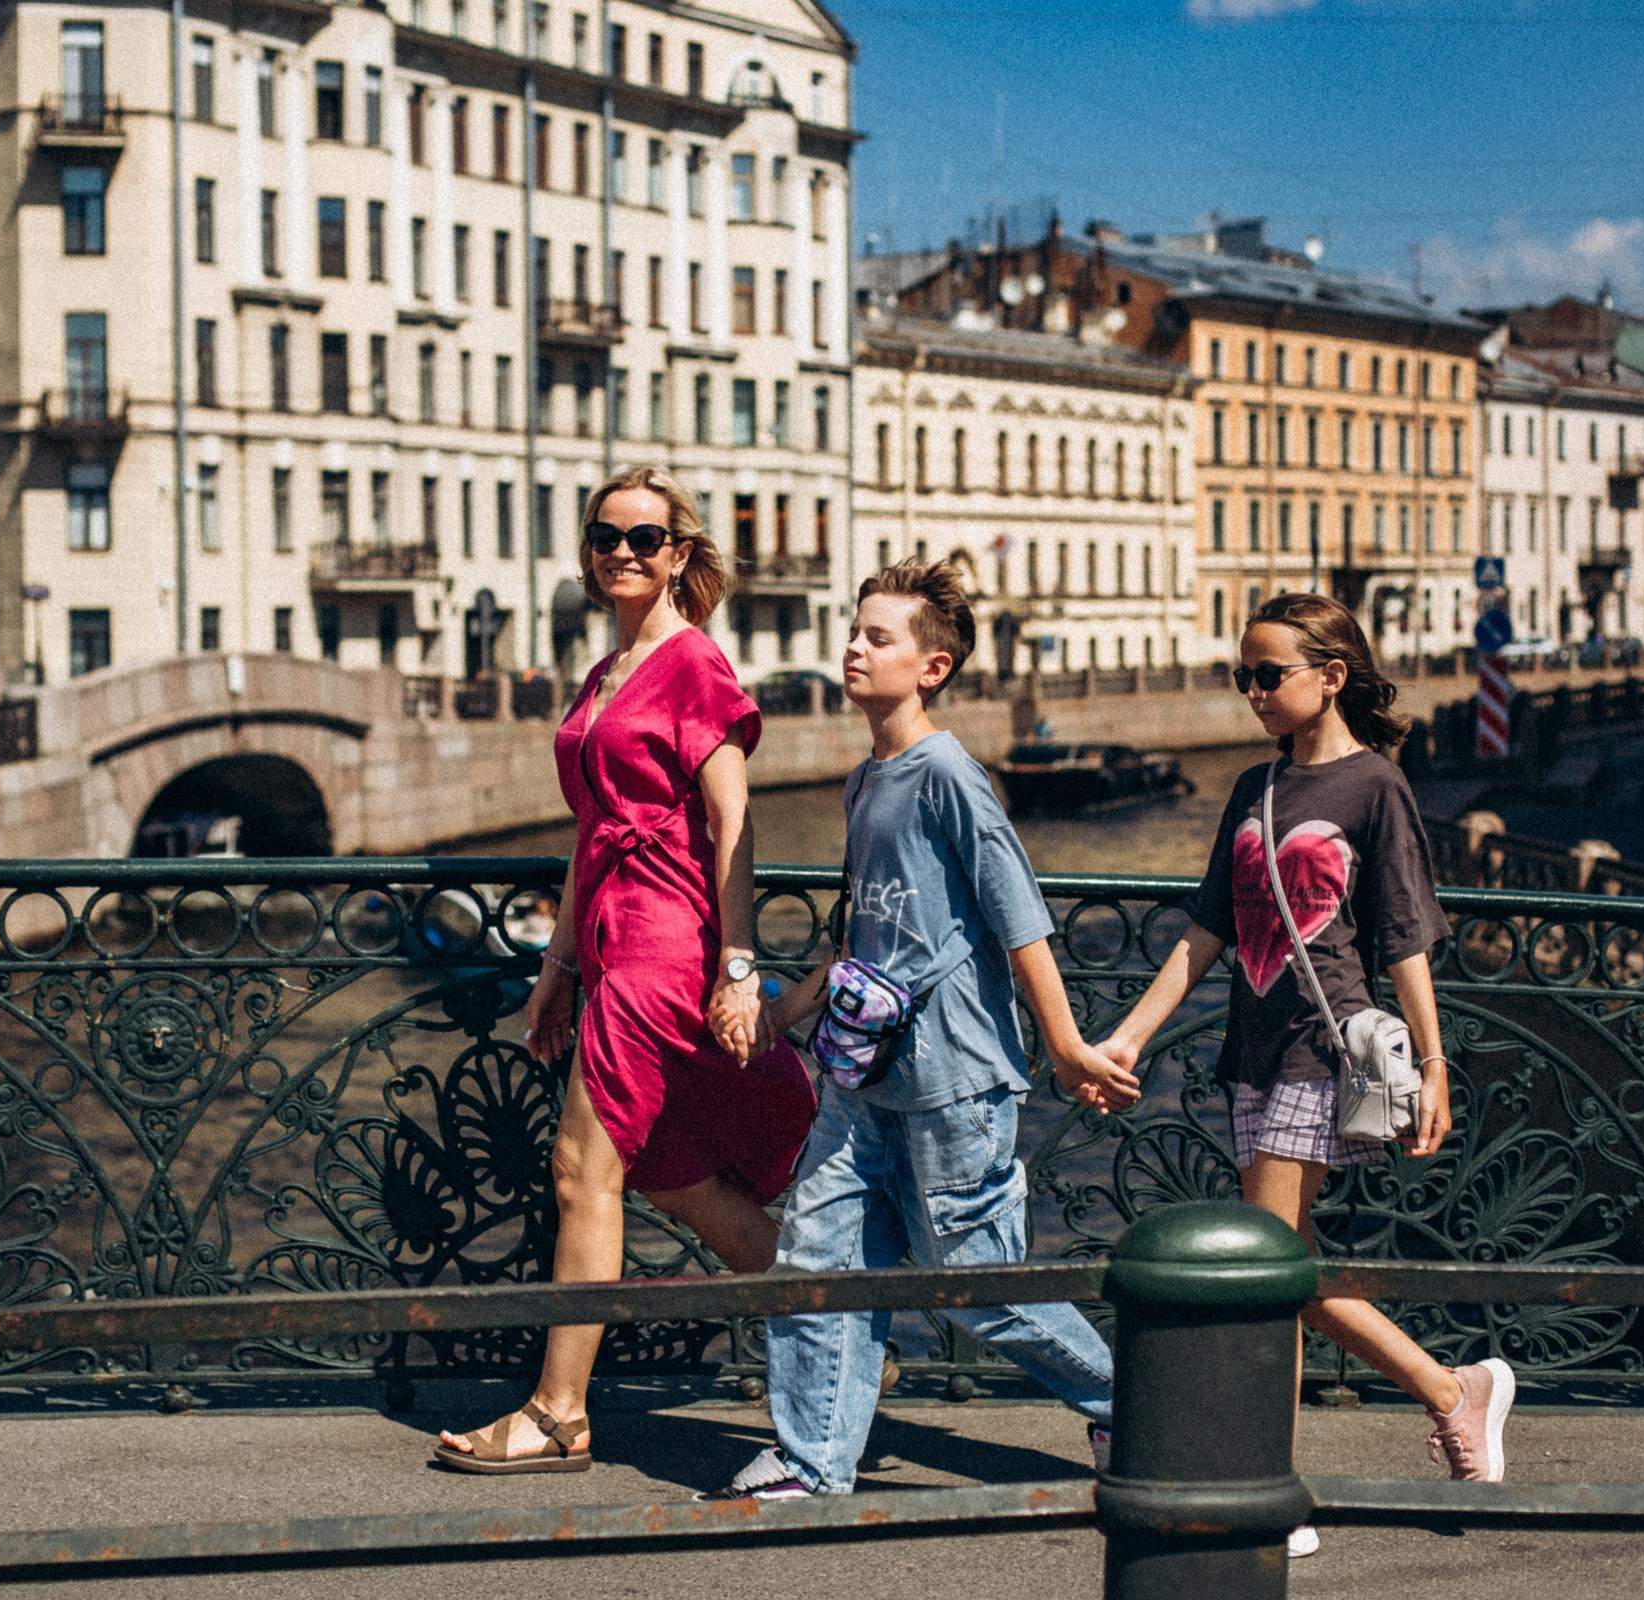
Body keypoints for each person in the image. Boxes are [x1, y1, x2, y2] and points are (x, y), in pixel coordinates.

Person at [1082, 592, 1513, 1558]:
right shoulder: (1252, 789)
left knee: (1266, 1266)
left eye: (1268, 674)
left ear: (1332, 675)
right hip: (1252, 1050)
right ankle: (1453, 1390)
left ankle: (1272, 1485)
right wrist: (1132, 1039)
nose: (1252, 692)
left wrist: (1435, 1061)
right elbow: (1207, 935)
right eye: (1242, 676)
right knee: (1282, 1266)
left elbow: (1404, 937)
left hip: (1325, 1051)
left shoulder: (1375, 788)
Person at [711, 558, 1142, 1502]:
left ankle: (1133, 1403)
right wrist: (791, 1009)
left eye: (878, 637)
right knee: (818, 1255)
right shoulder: (868, 779)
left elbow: (1018, 915)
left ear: (933, 666)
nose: (854, 648)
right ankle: (813, 1460)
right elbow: (867, 928)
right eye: (854, 631)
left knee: (972, 1277)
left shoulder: (949, 774)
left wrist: (1067, 1047)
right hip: (862, 1075)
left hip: (954, 1075)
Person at [434, 467, 817, 1474]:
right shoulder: (605, 674)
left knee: (581, 1168)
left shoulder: (696, 666)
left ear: (681, 554)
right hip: (610, 949)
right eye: (606, 534)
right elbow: (589, 833)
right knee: (676, 1173)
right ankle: (844, 1331)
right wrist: (558, 962)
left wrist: (739, 969)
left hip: (665, 947)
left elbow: (734, 826)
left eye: (645, 538)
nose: (621, 552)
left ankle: (560, 1409)